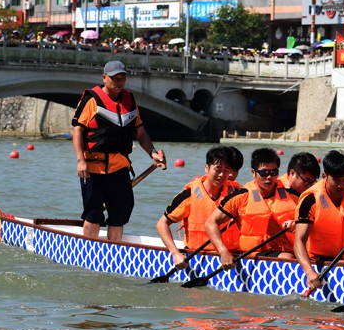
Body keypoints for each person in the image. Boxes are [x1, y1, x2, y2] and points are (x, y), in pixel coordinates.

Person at [71, 60, 166, 242]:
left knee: (120, 213)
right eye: (115, 78)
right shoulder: (92, 99)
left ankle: (113, 251)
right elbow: (78, 130)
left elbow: (140, 131)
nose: (119, 82)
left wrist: (153, 152)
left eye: (122, 78)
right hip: (93, 168)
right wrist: (80, 160)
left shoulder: (130, 100)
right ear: (104, 78)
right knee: (94, 213)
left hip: (119, 168)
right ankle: (89, 252)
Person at [204, 147, 297, 267]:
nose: (269, 177)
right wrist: (223, 251)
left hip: (288, 250)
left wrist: (296, 222)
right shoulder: (240, 197)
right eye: (264, 173)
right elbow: (211, 223)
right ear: (253, 173)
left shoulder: (293, 196)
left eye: (273, 172)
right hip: (253, 254)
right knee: (287, 257)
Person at [155, 145, 242, 268]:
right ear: (206, 168)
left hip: (233, 257)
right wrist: (175, 253)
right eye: (218, 169)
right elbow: (162, 224)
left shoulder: (237, 192)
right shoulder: (189, 195)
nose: (222, 175)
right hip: (197, 258)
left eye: (226, 170)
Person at [292, 150, 344, 293]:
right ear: (325, 176)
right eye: (336, 179)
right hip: (321, 261)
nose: (342, 185)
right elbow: (299, 242)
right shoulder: (310, 201)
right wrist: (309, 272)